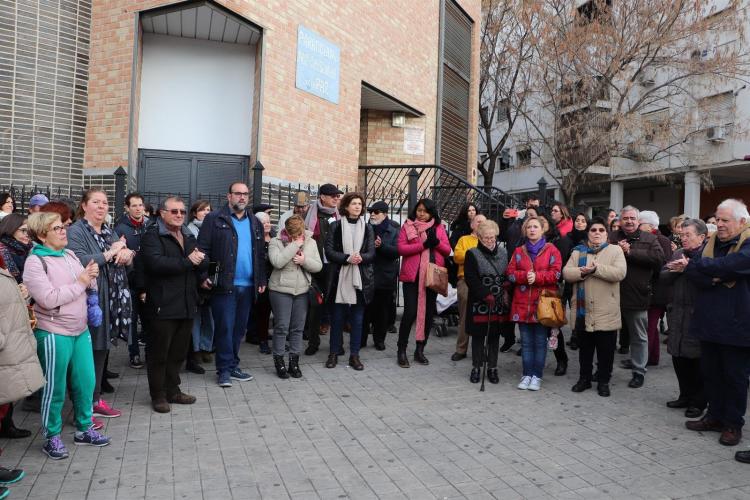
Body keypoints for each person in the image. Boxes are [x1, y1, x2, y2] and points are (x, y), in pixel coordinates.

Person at [24, 211, 111, 459]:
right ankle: (52, 436)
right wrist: (83, 281)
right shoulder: (35, 262)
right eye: (57, 229)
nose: (64, 232)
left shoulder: (69, 254)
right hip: (53, 332)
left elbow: (83, 286)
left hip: (80, 329)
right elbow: (49, 299)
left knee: (86, 382)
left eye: (63, 227)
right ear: (42, 235)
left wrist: (90, 279)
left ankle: (84, 428)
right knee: (56, 388)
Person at [682, 199, 750, 448]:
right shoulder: (711, 243)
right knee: (711, 374)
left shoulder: (748, 242)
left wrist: (704, 266)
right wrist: (715, 276)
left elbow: (738, 264)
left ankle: (733, 424)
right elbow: (692, 273)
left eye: (724, 220)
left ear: (742, 222)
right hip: (709, 322)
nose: (718, 225)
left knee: (734, 378)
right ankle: (714, 416)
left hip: (738, 325)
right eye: (717, 219)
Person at [67, 189, 132, 419]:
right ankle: (84, 405)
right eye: (96, 202)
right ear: (84, 206)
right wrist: (110, 253)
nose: (101, 207)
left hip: (110, 298)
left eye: (105, 203)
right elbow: (78, 260)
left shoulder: (108, 230)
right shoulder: (75, 231)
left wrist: (126, 254)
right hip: (89, 299)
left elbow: (122, 253)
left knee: (101, 348)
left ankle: (94, 400)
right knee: (87, 353)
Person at [197, 182, 267, 388]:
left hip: (248, 286)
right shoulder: (214, 219)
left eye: (245, 194)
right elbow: (204, 250)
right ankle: (224, 370)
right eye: (238, 194)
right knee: (225, 328)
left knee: (239, 329)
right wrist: (207, 276)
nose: (242, 198)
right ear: (229, 196)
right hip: (224, 284)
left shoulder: (255, 222)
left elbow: (260, 254)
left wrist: (261, 279)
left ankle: (233, 365)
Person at [138, 197, 203, 413]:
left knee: (178, 353)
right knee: (159, 353)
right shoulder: (152, 235)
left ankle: (173, 390)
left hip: (186, 303)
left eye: (182, 212)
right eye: (174, 211)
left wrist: (204, 275)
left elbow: (198, 260)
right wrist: (187, 262)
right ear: (162, 213)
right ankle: (158, 395)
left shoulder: (187, 234)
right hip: (162, 304)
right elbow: (155, 263)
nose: (179, 215)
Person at [564, 217, 626, 397]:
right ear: (588, 233)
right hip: (584, 312)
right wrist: (581, 272)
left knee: (606, 352)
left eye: (601, 230)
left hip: (606, 311)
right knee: (585, 350)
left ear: (607, 234)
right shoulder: (578, 252)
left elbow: (620, 273)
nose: (597, 233)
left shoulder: (615, 251)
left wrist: (596, 269)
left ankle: (604, 381)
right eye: (593, 230)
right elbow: (567, 273)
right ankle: (584, 379)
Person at [609, 205, 664, 388]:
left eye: (633, 218)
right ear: (620, 221)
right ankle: (603, 368)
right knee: (606, 335)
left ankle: (639, 371)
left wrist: (630, 252)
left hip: (637, 295)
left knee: (639, 336)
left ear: (638, 221)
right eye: (626, 218)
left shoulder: (650, 238)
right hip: (611, 294)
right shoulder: (611, 238)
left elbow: (658, 259)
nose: (629, 221)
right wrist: (617, 250)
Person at [507, 217, 562, 391]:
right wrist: (525, 276)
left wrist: (537, 277)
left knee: (539, 342)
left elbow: (557, 274)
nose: (532, 230)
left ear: (542, 229)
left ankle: (537, 376)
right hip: (522, 304)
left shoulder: (552, 250)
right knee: (526, 342)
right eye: (529, 227)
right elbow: (510, 273)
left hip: (543, 304)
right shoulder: (518, 251)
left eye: (535, 227)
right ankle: (526, 374)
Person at [660, 219, 708, 419]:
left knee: (697, 360)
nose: (683, 239)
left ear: (702, 237)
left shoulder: (708, 255)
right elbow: (662, 276)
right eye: (682, 235)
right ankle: (684, 396)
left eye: (688, 235)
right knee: (678, 358)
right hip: (677, 314)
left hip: (698, 316)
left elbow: (708, 281)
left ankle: (698, 402)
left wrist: (689, 268)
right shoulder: (679, 253)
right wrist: (675, 269)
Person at [397, 198, 451, 368]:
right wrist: (423, 245)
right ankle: (401, 350)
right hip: (412, 277)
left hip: (431, 277)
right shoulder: (407, 226)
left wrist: (437, 243)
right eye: (419, 210)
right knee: (410, 313)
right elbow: (401, 249)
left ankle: (420, 350)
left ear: (431, 213)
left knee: (428, 314)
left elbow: (448, 250)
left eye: (425, 211)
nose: (421, 214)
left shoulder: (439, 227)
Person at [324, 192, 375, 370]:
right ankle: (333, 353)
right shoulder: (336, 226)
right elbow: (329, 251)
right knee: (337, 318)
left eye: (360, 204)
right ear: (346, 207)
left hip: (360, 278)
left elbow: (371, 253)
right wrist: (347, 258)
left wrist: (361, 257)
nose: (357, 206)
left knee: (358, 319)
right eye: (354, 203)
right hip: (340, 277)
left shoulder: (368, 228)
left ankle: (354, 355)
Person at [268, 215, 322, 378]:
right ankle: (279, 362)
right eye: (293, 235)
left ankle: (294, 362)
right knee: (282, 327)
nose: (298, 238)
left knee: (297, 328)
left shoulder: (311, 242)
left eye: (299, 235)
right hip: (280, 290)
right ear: (287, 231)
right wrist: (294, 245)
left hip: (302, 290)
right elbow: (277, 262)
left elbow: (318, 266)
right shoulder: (275, 241)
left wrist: (304, 260)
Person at [463, 220, 509, 384]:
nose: (490, 241)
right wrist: (484, 294)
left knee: (494, 336)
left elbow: (507, 273)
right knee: (478, 336)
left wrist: (506, 286)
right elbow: (471, 278)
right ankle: (476, 367)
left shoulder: (503, 252)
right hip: (479, 302)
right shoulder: (472, 253)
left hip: (498, 301)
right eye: (486, 238)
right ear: (479, 238)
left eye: (492, 238)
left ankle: (492, 368)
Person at [303, 183, 341, 355]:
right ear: (322, 197)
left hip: (335, 267)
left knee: (336, 306)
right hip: (315, 266)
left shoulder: (340, 216)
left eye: (337, 196)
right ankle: (313, 342)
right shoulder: (309, 214)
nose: (336, 198)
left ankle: (337, 344)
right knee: (315, 307)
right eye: (332, 195)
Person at [114, 192, 149, 370]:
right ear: (127, 208)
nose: (138, 209)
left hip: (149, 281)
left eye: (140, 205)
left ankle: (151, 352)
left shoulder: (150, 225)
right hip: (130, 281)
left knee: (150, 319)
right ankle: (134, 353)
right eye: (134, 205)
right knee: (132, 319)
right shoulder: (120, 228)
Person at [537, 214, 572, 376]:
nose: (536, 225)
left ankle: (561, 359)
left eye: (541, 223)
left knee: (553, 327)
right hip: (532, 293)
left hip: (551, 291)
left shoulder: (559, 242)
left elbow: (559, 270)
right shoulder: (527, 244)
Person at [362, 201, 399, 351]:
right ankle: (361, 339)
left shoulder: (394, 229)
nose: (372, 214)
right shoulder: (365, 228)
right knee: (364, 309)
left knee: (382, 311)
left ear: (384, 214)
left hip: (385, 276)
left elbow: (397, 251)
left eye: (376, 212)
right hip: (367, 275)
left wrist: (381, 246)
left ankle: (379, 340)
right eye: (371, 211)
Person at [451, 214, 487, 361]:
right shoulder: (464, 239)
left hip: (484, 282)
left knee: (483, 316)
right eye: (478, 222)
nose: (482, 224)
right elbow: (457, 257)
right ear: (472, 225)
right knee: (465, 315)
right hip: (465, 280)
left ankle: (481, 350)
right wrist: (475, 255)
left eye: (484, 222)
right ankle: (461, 349)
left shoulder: (488, 240)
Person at [639, 210, 672, 367]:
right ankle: (653, 357)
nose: (638, 226)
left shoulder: (660, 240)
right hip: (653, 290)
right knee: (650, 326)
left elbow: (661, 265)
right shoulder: (655, 238)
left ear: (649, 225)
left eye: (640, 224)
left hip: (657, 291)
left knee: (649, 327)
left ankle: (642, 360)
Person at [186, 200, 214, 370]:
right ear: (195, 213)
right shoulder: (189, 230)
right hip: (196, 279)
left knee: (209, 317)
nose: (205, 212)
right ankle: (195, 349)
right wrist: (201, 279)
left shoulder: (214, 228)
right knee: (196, 318)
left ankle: (206, 347)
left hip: (211, 278)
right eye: (202, 210)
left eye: (208, 210)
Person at [247, 211, 273, 354]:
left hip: (275, 280)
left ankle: (273, 339)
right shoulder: (255, 240)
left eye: (268, 221)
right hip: (262, 281)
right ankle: (263, 341)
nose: (267, 224)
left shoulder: (276, 238)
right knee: (263, 313)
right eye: (264, 223)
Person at [0, 214, 33, 285]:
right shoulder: (2, 250)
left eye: (29, 231)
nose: (28, 234)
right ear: (11, 229)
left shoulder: (29, 248)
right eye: (24, 230)